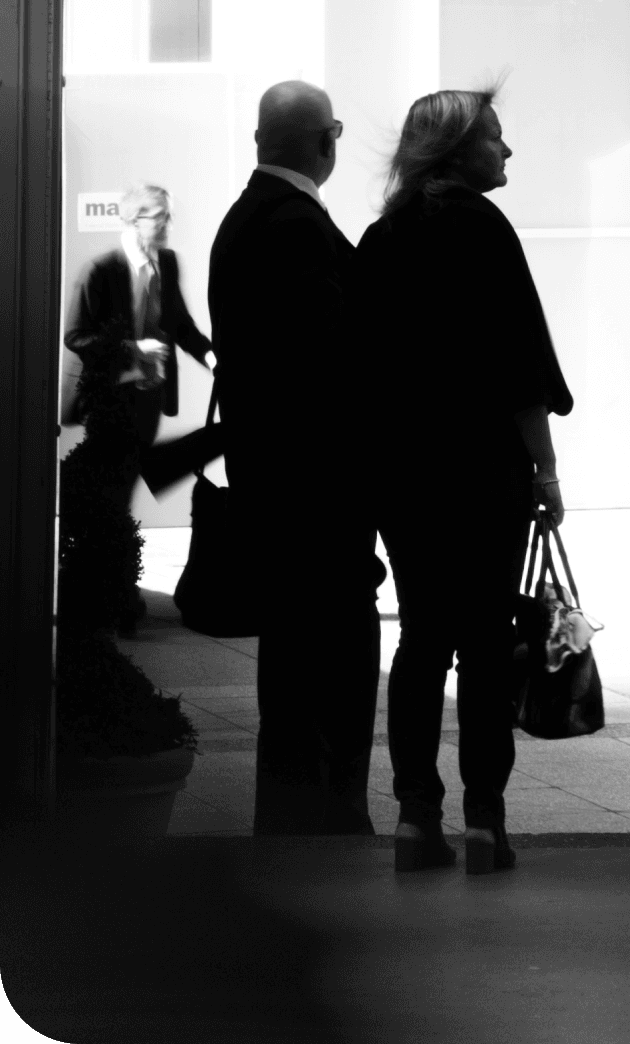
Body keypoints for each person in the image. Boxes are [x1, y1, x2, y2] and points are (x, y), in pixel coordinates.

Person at [356, 89, 571, 877]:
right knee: (485, 644)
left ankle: (416, 816)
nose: (507, 152)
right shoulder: (484, 228)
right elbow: (519, 363)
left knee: (420, 639)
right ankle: (486, 822)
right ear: (457, 150)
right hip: (485, 469)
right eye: (496, 139)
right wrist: (544, 466)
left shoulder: (382, 237)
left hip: (406, 473)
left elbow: (363, 368)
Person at [208, 82, 382, 834]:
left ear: (257, 141)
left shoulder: (242, 219)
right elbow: (331, 363)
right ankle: (326, 821)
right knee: (332, 664)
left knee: (289, 670)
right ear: (328, 140)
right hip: (319, 495)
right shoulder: (298, 227)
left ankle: (290, 820)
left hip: (270, 484)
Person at [64, 184, 214, 631]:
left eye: (168, 216)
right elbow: (77, 336)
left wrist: (210, 356)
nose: (167, 225)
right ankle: (118, 598)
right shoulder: (100, 270)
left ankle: (115, 593)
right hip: (108, 401)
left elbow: (180, 324)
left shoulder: (166, 263)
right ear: (133, 221)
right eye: (159, 216)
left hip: (148, 401)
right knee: (114, 493)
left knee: (123, 490)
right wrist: (134, 348)